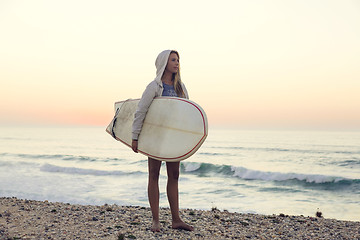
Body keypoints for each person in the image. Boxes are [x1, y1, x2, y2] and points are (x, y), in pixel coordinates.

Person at [131, 50, 194, 232]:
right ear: (164, 62)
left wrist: (186, 139)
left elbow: (187, 114)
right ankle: (156, 221)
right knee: (154, 175)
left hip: (173, 139)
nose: (177, 63)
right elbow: (140, 112)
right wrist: (135, 137)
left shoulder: (181, 87)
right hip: (156, 137)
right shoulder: (154, 86)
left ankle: (176, 220)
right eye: (173, 59)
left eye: (178, 60)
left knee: (174, 176)